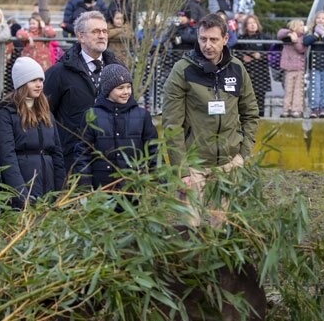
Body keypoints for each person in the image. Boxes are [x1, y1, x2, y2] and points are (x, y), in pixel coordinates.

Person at [162, 13, 259, 226]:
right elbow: (172, 125)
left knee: (223, 230)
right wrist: (181, 170)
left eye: (214, 39)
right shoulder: (182, 70)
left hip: (229, 163)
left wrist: (242, 154)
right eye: (203, 39)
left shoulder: (237, 68)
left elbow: (251, 113)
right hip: (194, 164)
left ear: (225, 39)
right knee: (188, 229)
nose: (208, 45)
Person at [44, 11, 121, 178]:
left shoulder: (117, 70)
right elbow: (44, 114)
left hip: (110, 161)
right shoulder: (59, 73)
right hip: (72, 161)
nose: (102, 36)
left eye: (104, 31)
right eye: (95, 32)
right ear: (80, 36)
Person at [0, 57, 65, 208]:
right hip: (24, 189)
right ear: (21, 83)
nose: (39, 84)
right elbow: (7, 158)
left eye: (40, 80)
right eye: (33, 80)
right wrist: (22, 195)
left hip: (49, 190)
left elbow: (57, 154)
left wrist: (60, 192)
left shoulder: (46, 114)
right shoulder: (6, 114)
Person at [75, 64, 157, 191]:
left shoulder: (142, 116)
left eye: (129, 87)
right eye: (120, 88)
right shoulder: (92, 116)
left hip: (133, 188)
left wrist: (157, 183)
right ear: (108, 90)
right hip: (101, 189)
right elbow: (83, 154)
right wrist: (84, 186)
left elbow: (154, 151)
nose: (126, 92)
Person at [303, 10, 324, 118]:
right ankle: (314, 108)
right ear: (315, 20)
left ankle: (323, 108)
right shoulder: (310, 30)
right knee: (314, 87)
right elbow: (305, 41)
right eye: (318, 18)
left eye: (323, 18)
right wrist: (316, 34)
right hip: (314, 63)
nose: (320, 20)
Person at [236, 15, 271, 117]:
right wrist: (243, 57)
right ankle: (246, 117)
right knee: (246, 95)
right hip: (247, 72)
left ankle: (261, 115)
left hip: (261, 72)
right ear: (246, 26)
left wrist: (261, 55)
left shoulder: (264, 38)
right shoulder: (241, 38)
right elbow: (234, 52)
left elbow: (272, 53)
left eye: (254, 23)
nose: (252, 25)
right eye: (250, 23)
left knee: (260, 96)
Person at [276, 19, 306, 118]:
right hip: (288, 68)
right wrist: (290, 33)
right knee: (288, 90)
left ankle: (296, 110)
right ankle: (286, 109)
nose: (303, 27)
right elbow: (279, 34)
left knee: (298, 90)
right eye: (300, 25)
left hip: (299, 68)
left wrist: (295, 40)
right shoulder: (287, 35)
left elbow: (301, 49)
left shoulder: (303, 38)